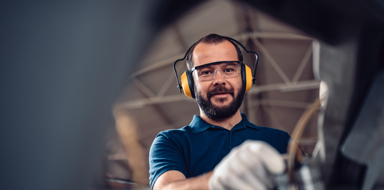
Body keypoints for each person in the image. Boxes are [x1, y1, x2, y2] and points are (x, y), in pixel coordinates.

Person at [149, 34, 290, 190]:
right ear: (189, 84)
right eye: (206, 72)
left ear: (244, 77)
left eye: (229, 69)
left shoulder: (280, 140)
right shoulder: (172, 141)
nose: (219, 80)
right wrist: (216, 181)